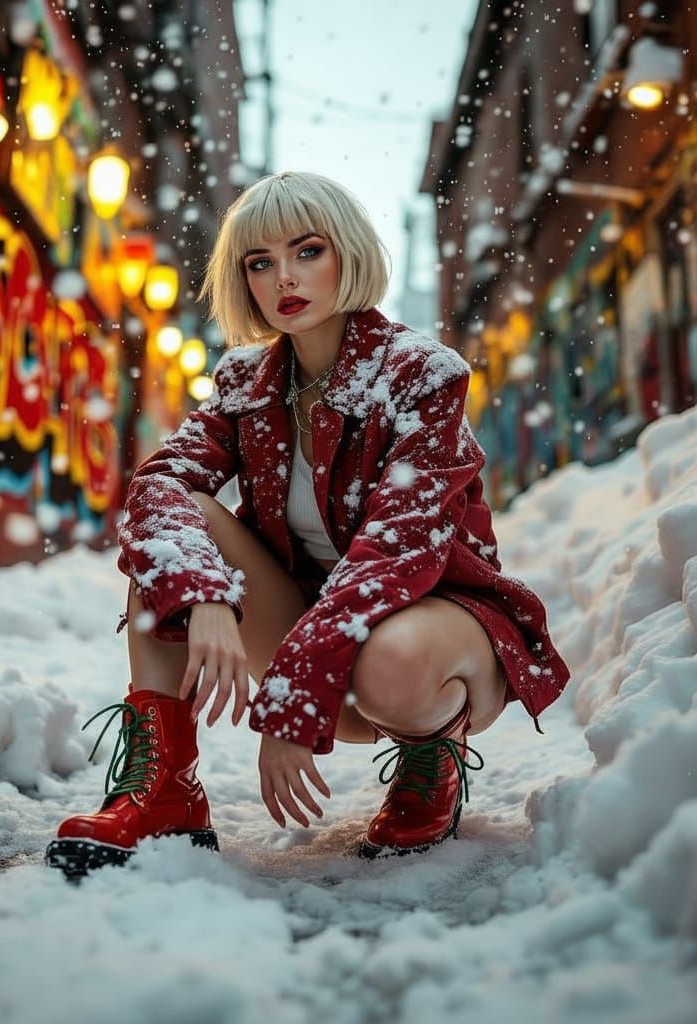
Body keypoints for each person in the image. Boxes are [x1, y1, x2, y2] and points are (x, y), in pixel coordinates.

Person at [46, 172, 569, 878]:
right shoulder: (244, 385)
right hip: (314, 629)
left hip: (429, 630)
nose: (283, 277)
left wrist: (292, 700)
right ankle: (166, 788)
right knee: (173, 537)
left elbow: (397, 553)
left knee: (394, 660)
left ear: (346, 254)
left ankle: (430, 758)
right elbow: (159, 486)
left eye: (307, 251)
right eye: (259, 262)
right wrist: (204, 596)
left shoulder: (422, 375)